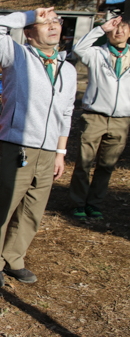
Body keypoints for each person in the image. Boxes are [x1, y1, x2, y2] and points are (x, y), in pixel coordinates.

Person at [0, 7, 76, 287]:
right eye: (45, 23)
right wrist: (30, 14)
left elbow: (66, 113)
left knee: (32, 210)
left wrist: (60, 152)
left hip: (48, 152)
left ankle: (14, 258)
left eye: (56, 21)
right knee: (5, 207)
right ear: (30, 32)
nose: (53, 25)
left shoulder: (67, 70)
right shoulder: (16, 56)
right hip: (15, 146)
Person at [69, 16, 130, 221]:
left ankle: (94, 204)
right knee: (84, 162)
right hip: (94, 116)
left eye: (123, 27)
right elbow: (79, 49)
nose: (118, 31)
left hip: (122, 119)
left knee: (107, 165)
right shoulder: (97, 53)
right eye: (114, 28)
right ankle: (77, 203)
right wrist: (100, 29)